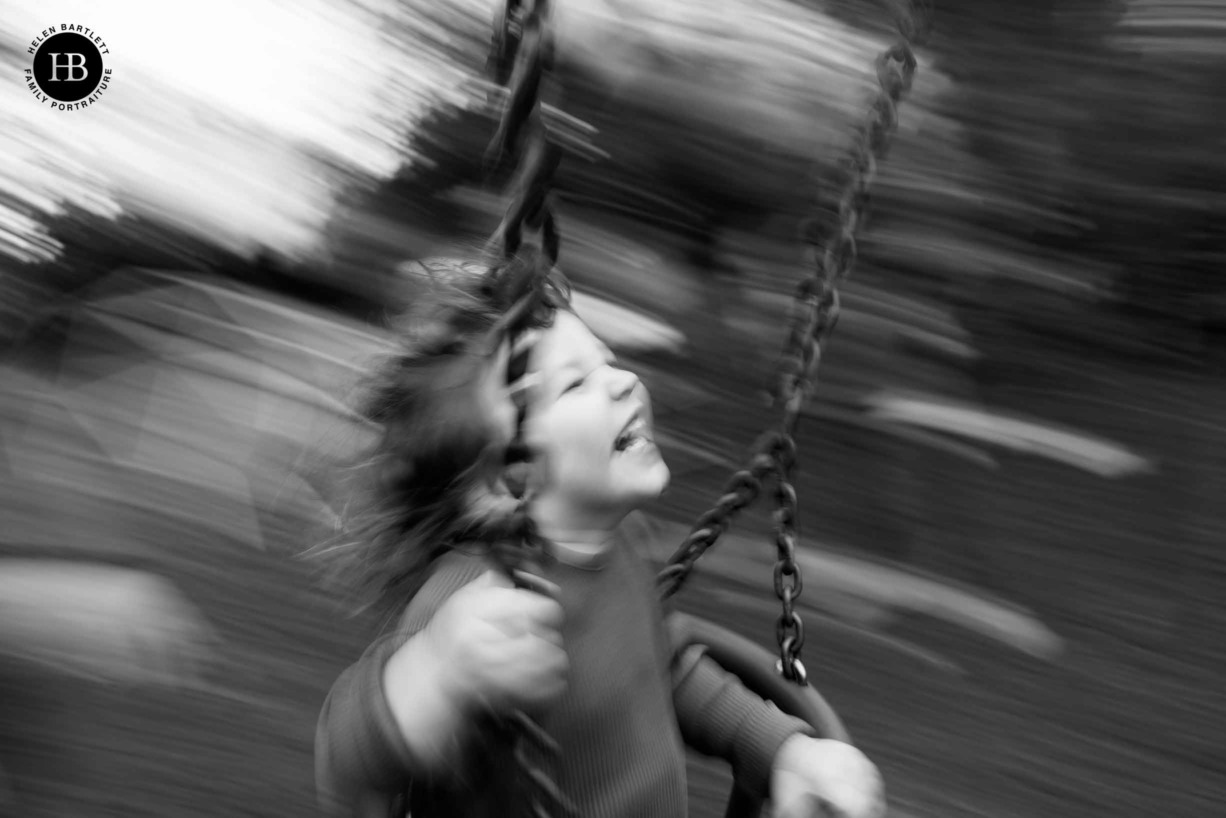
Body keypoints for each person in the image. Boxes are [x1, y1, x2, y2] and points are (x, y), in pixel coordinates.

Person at [314, 258, 884, 818]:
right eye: (577, 383)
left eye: (606, 362)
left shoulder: (624, 550)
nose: (624, 382)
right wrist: (436, 673)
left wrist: (782, 748)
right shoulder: (474, 597)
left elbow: (659, 668)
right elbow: (348, 770)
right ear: (507, 479)